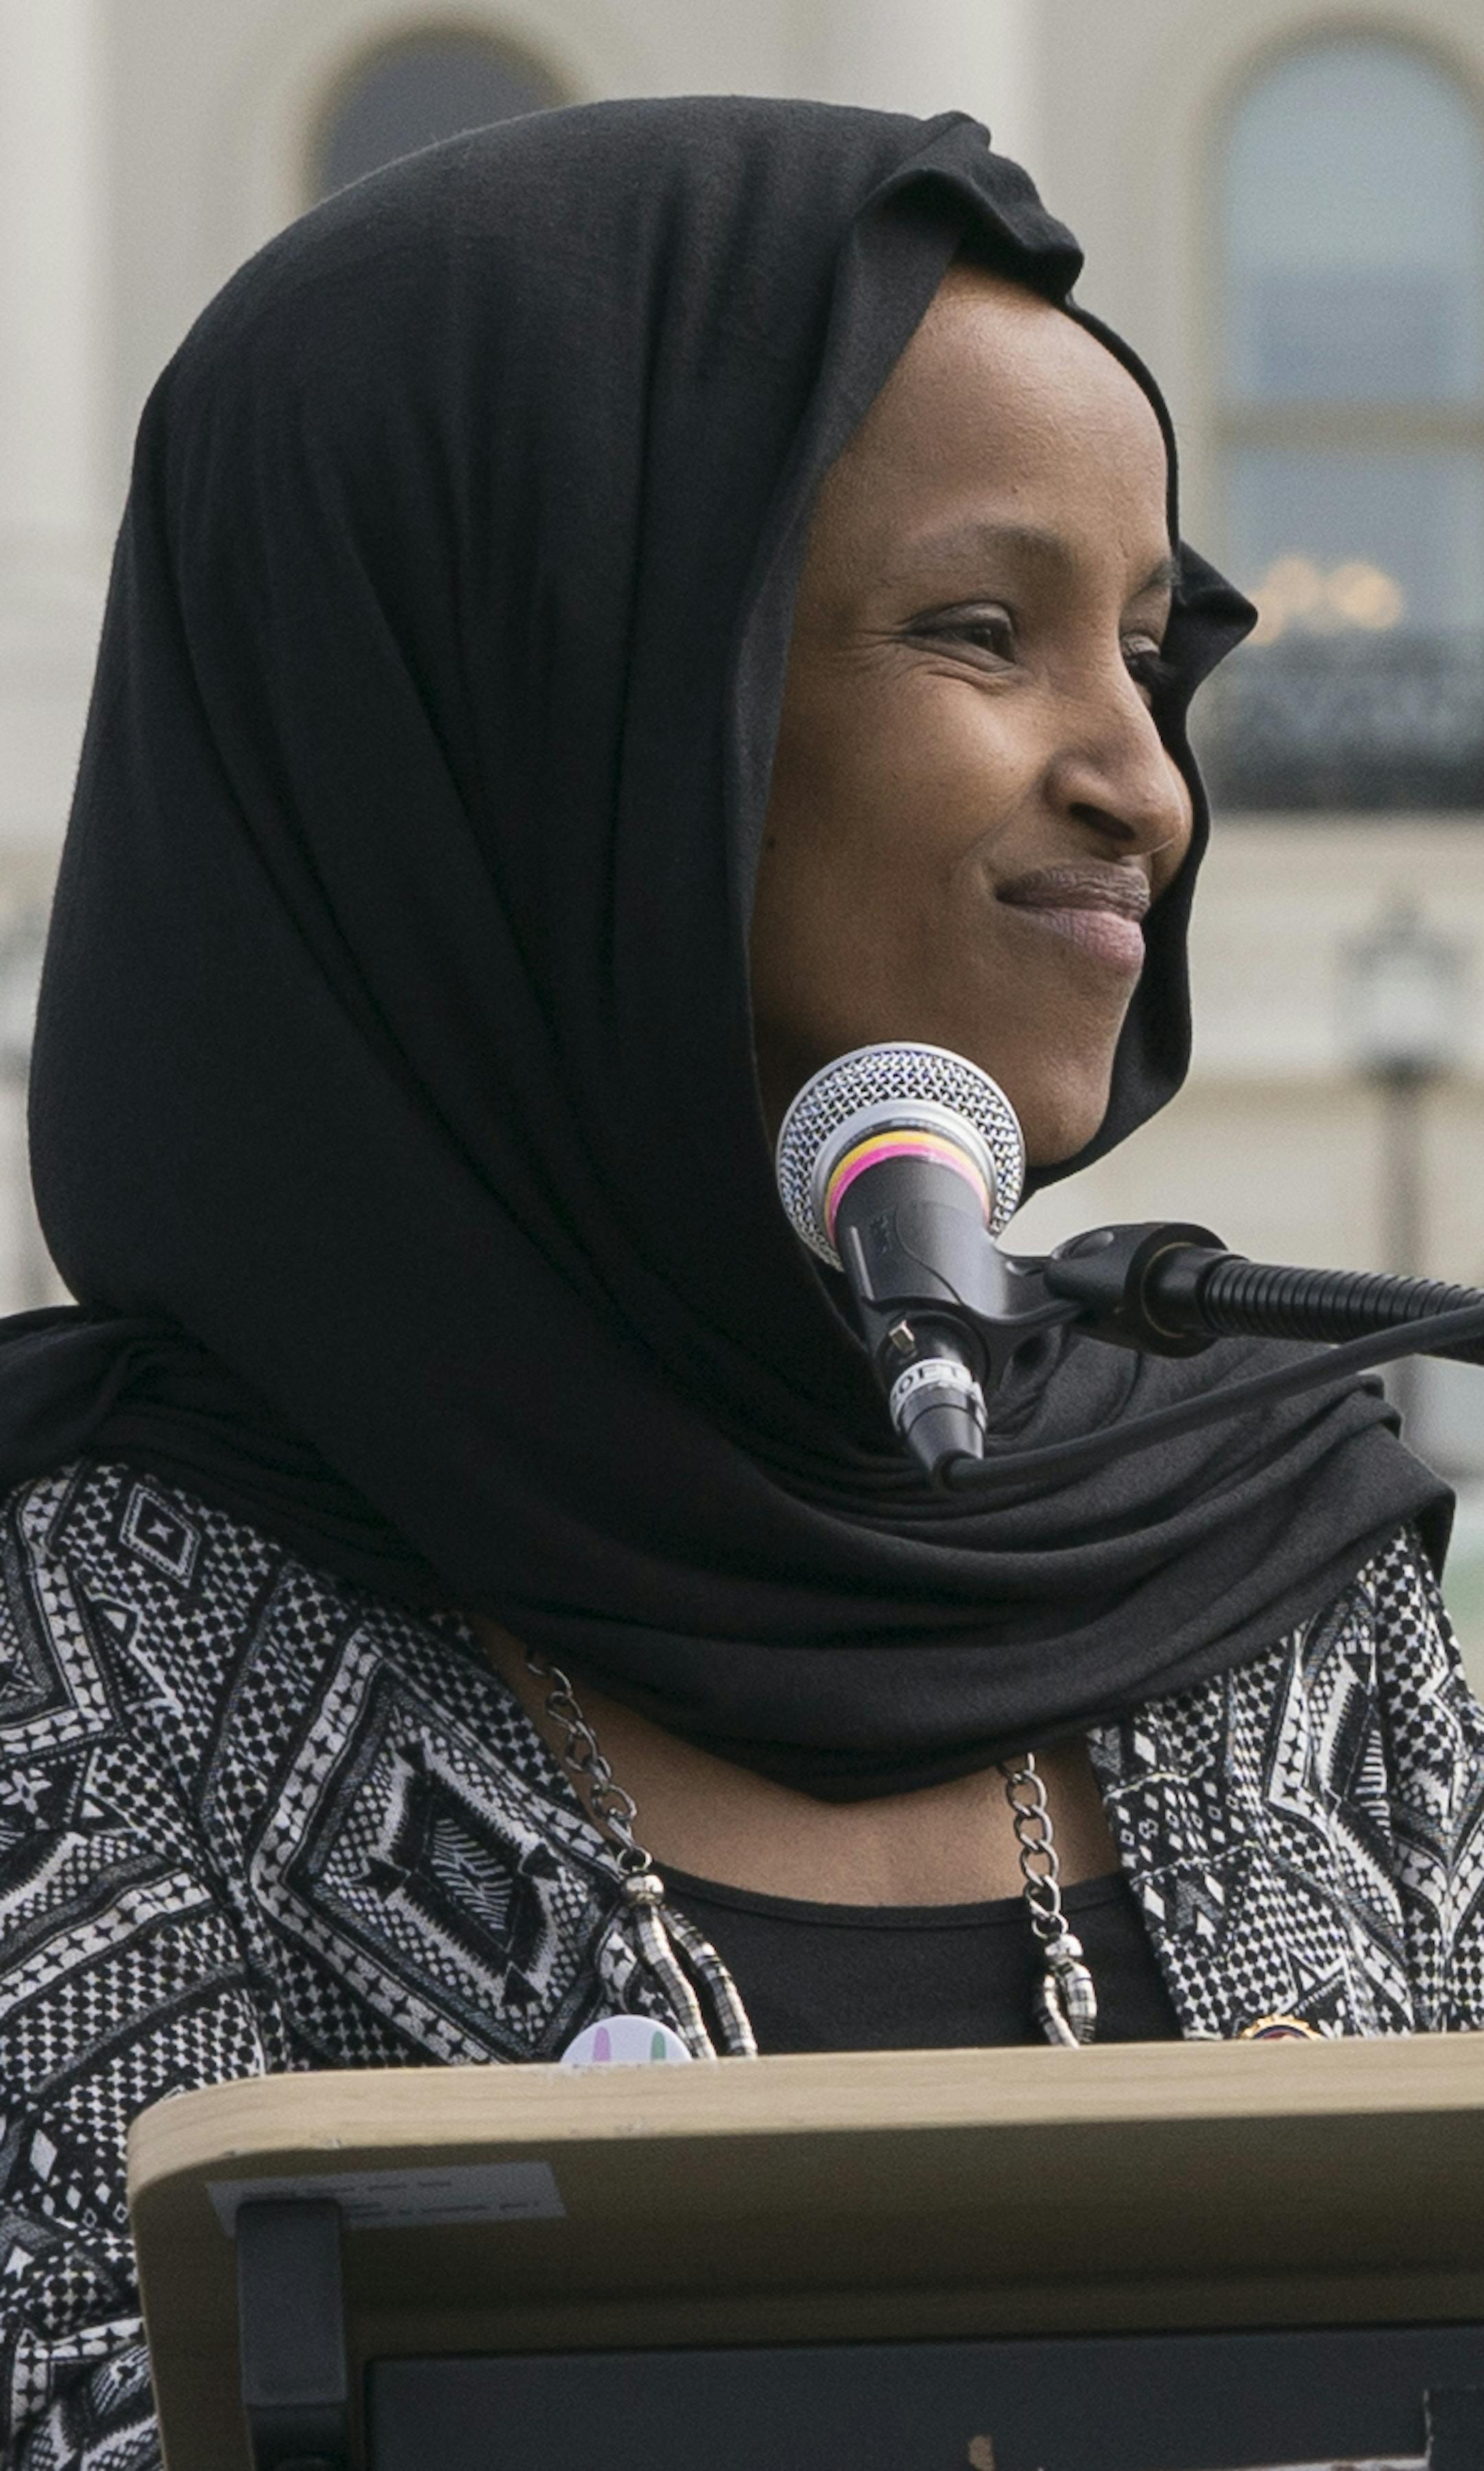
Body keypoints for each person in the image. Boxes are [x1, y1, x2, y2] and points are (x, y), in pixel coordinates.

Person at [0, 94, 1479, 2468]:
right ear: (535, 702)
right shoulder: (96, 1642)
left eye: (1149, 647)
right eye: (981, 630)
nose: (1151, 784)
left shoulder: (1290, 1575)